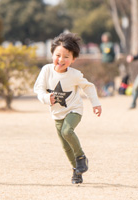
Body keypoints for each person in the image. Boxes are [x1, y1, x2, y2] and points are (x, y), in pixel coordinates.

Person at [34, 32, 102, 184]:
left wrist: (95, 103)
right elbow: (38, 89)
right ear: (52, 54)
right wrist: (46, 98)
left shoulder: (75, 74)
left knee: (67, 131)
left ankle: (81, 157)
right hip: (57, 113)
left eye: (66, 57)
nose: (61, 60)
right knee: (65, 146)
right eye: (58, 55)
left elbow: (89, 87)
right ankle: (76, 170)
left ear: (73, 59)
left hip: (74, 110)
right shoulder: (46, 70)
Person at [99, 32, 118, 96]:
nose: (103, 38)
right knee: (105, 76)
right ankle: (105, 88)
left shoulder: (111, 45)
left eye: (104, 37)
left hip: (110, 62)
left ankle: (113, 88)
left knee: (111, 76)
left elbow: (113, 54)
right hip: (104, 62)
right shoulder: (102, 45)